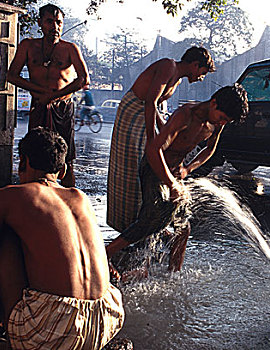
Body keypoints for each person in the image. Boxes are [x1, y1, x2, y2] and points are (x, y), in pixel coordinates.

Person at [0, 127, 124, 349]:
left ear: (23, 162)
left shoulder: (6, 197)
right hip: (106, 321)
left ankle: (13, 333)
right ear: (62, 171)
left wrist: (3, 322)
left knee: (4, 232)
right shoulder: (80, 198)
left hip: (52, 331)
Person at [106, 84, 249, 273]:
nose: (222, 123)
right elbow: (153, 150)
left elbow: (210, 149)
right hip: (154, 167)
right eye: (222, 118)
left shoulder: (216, 124)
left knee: (183, 229)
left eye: (227, 122)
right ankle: (106, 253)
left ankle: (173, 273)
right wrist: (171, 184)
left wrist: (188, 169)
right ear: (213, 103)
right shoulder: (186, 114)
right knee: (153, 217)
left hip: (175, 172)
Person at [107, 47, 215, 233]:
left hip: (146, 113)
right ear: (195, 65)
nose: (201, 77)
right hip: (132, 112)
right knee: (132, 165)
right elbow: (150, 101)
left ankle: (141, 222)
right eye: (202, 73)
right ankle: (126, 225)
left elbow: (154, 105)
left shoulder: (178, 80)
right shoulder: (169, 66)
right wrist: (152, 138)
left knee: (145, 164)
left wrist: (164, 126)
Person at [7, 3, 90, 188]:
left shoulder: (70, 48)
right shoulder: (28, 45)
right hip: (39, 105)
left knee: (65, 157)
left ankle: (69, 200)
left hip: (62, 108)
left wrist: (53, 96)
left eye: (59, 22)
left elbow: (84, 79)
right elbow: (11, 76)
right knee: (33, 154)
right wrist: (39, 92)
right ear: (40, 23)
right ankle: (34, 198)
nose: (55, 27)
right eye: (50, 21)